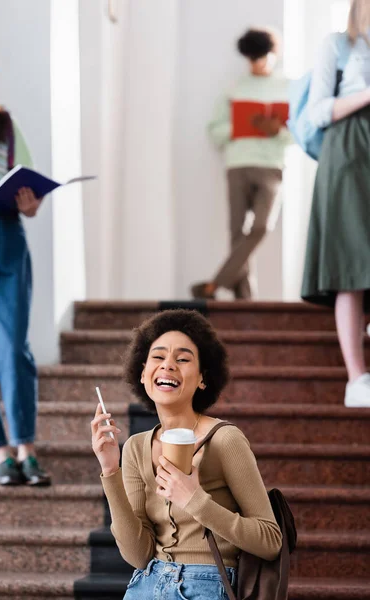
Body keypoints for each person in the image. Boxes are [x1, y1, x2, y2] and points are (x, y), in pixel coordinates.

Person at [91, 309, 281, 599]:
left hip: (208, 584)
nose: (168, 365)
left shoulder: (225, 439)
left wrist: (196, 501)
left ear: (202, 378)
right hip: (145, 583)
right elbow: (136, 555)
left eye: (182, 359)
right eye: (158, 357)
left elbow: (270, 540)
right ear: (143, 373)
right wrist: (110, 470)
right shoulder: (135, 447)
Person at [0, 39, 51, 485]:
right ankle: (0, 453)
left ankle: (26, 450)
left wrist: (28, 203)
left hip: (4, 231)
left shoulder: (3, 125)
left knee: (12, 345)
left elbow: (29, 190)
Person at [301, 0, 370, 408]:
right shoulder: (338, 46)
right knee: (352, 266)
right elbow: (318, 111)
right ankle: (356, 378)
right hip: (348, 155)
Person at [191, 27, 292, 300]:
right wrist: (239, 126)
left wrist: (277, 130)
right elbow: (214, 130)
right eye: (251, 58)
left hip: (271, 165)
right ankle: (245, 299)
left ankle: (214, 284)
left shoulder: (287, 87)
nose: (257, 63)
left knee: (261, 226)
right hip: (237, 164)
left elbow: (301, 132)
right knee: (237, 231)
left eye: (261, 57)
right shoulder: (235, 88)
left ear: (272, 54)